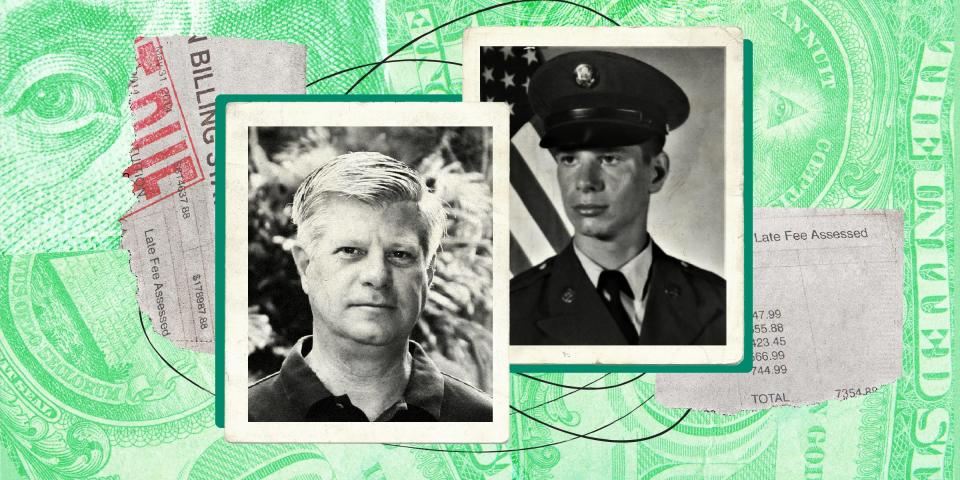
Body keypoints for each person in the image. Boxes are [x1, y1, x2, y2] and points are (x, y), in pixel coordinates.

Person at [249, 152, 492, 422]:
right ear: (306, 266)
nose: (377, 276)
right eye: (351, 251)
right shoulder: (244, 420)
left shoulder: (482, 420)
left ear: (429, 272)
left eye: (400, 254)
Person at [510, 50, 726, 346]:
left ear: (656, 172)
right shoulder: (514, 309)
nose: (585, 183)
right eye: (570, 159)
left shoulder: (719, 303)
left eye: (609, 158)